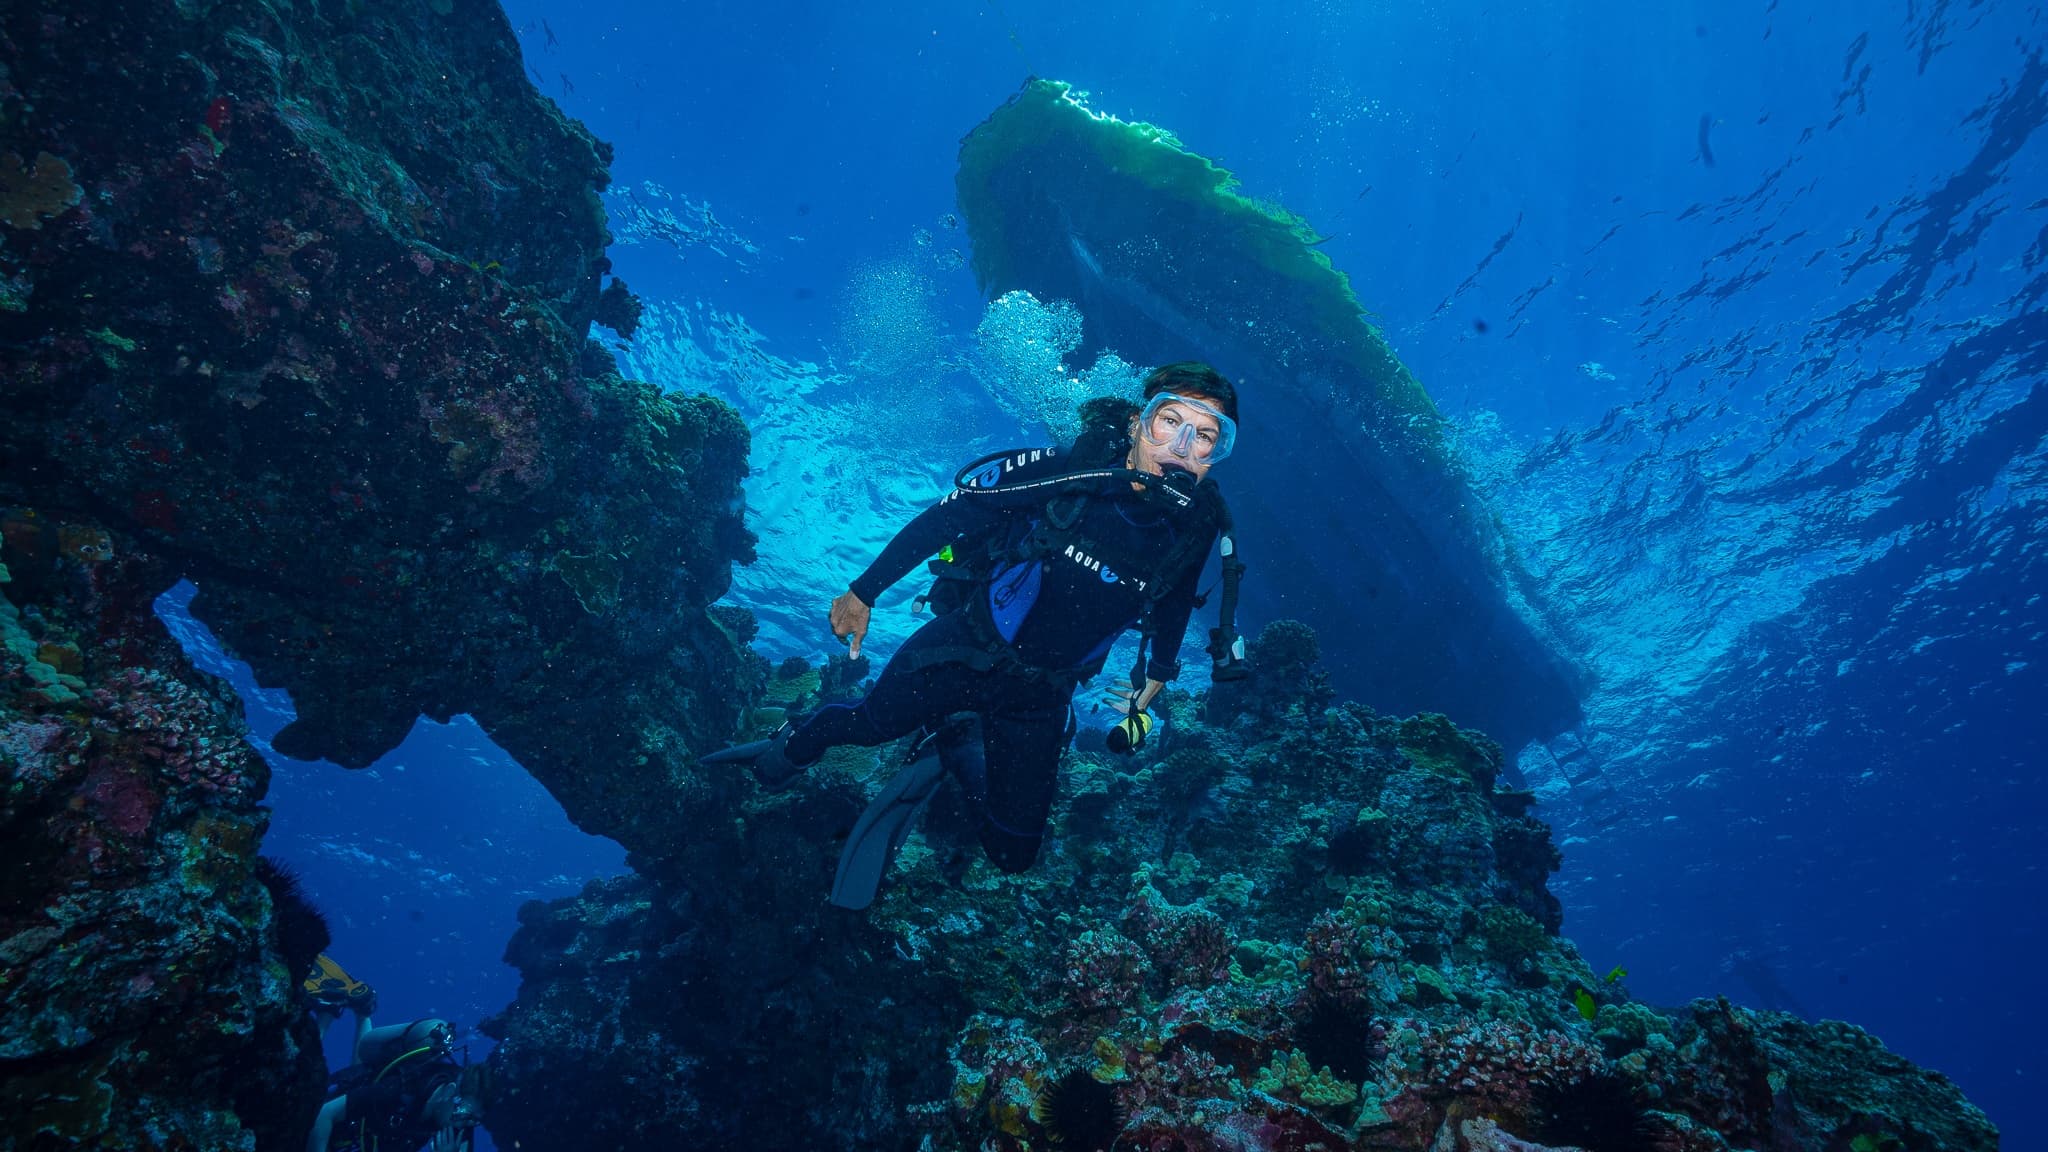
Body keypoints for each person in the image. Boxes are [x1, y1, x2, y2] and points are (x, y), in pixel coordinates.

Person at [706, 362, 1248, 906]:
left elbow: (1176, 600)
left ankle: (954, 746)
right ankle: (790, 746)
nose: (1181, 445)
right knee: (867, 725)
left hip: (1043, 695)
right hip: (962, 650)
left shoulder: (1195, 524)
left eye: (1205, 437)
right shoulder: (1066, 472)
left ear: (1216, 454)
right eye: (1168, 420)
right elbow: (952, 516)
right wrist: (864, 591)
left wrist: (1155, 675)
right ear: (1136, 424)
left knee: (1014, 855)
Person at [306, 1016, 484, 1152]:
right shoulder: (399, 1090)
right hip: (326, 1119)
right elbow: (324, 1115)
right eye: (465, 1115)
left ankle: (362, 1013)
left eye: (474, 1121)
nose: (463, 1125)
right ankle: (328, 1018)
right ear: (449, 1092)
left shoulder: (457, 1122)